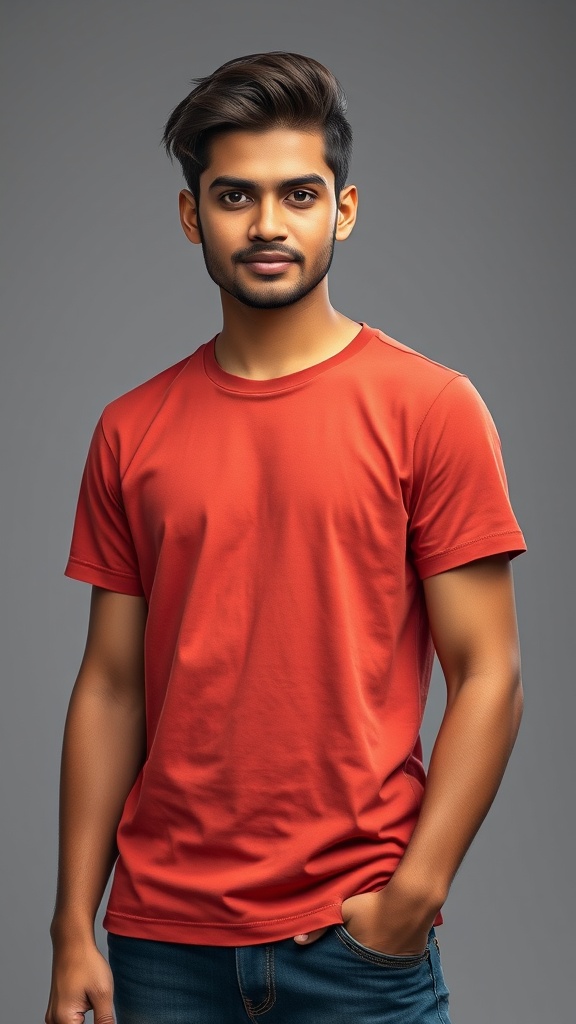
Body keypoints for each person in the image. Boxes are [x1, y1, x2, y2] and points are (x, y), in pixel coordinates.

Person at [45, 50, 527, 1024]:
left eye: (298, 193)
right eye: (235, 196)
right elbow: (109, 682)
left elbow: (490, 673)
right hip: (161, 947)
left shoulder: (431, 408)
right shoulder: (130, 428)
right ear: (193, 218)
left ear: (342, 209)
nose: (268, 225)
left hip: (354, 947)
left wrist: (414, 896)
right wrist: (70, 928)